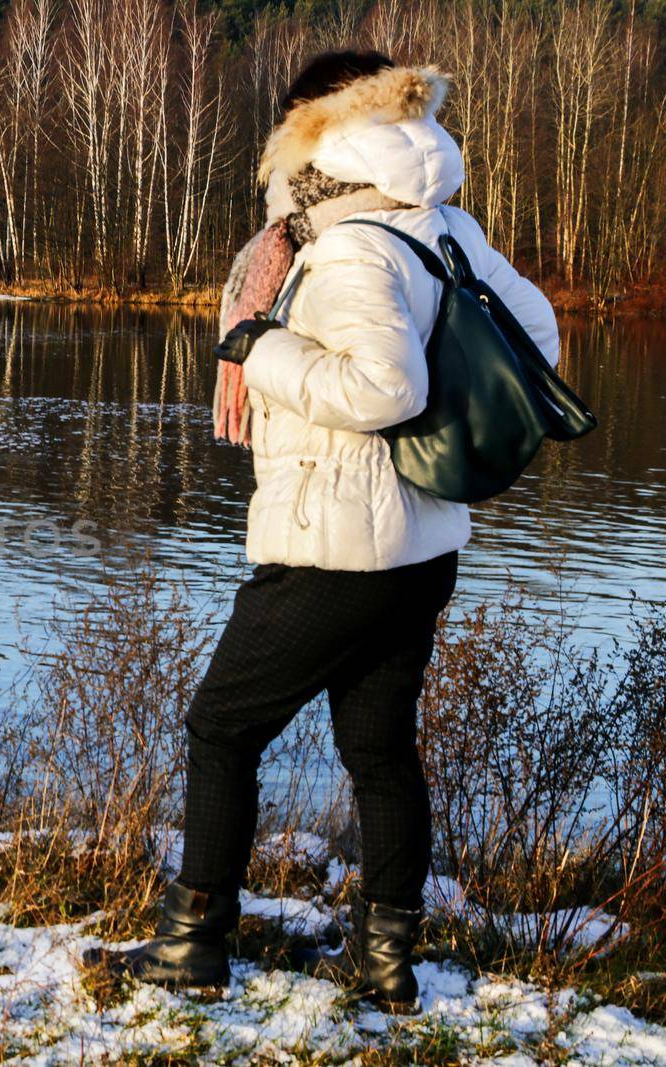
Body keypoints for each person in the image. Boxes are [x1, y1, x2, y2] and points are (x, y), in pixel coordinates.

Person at [85, 52, 560, 1013]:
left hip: (335, 546)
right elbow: (541, 337)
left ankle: (193, 942)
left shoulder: (344, 247)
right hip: (420, 544)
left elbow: (388, 389)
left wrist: (265, 350)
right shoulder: (444, 226)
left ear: (313, 131)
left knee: (222, 725)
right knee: (379, 750)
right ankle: (384, 964)